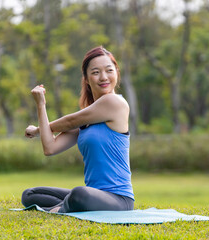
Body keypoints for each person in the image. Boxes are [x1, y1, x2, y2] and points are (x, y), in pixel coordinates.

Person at [21, 46, 134, 213]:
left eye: (109, 70)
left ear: (116, 72)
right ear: (86, 79)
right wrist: (41, 105)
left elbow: (70, 121)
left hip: (119, 200)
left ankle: (58, 210)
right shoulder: (87, 120)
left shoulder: (115, 103)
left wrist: (38, 130)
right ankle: (65, 207)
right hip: (94, 195)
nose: (103, 77)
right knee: (30, 194)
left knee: (79, 193)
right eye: (95, 72)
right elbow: (49, 148)